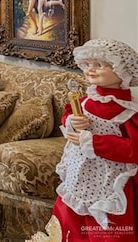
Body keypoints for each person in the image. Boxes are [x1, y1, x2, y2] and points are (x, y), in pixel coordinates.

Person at [52, 38, 138, 241]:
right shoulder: (87, 99)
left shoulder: (127, 111)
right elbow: (67, 115)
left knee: (106, 228)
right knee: (67, 223)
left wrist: (93, 142)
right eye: (88, 64)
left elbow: (133, 148)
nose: (91, 69)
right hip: (77, 175)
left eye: (99, 65)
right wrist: (72, 120)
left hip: (109, 180)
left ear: (121, 71)